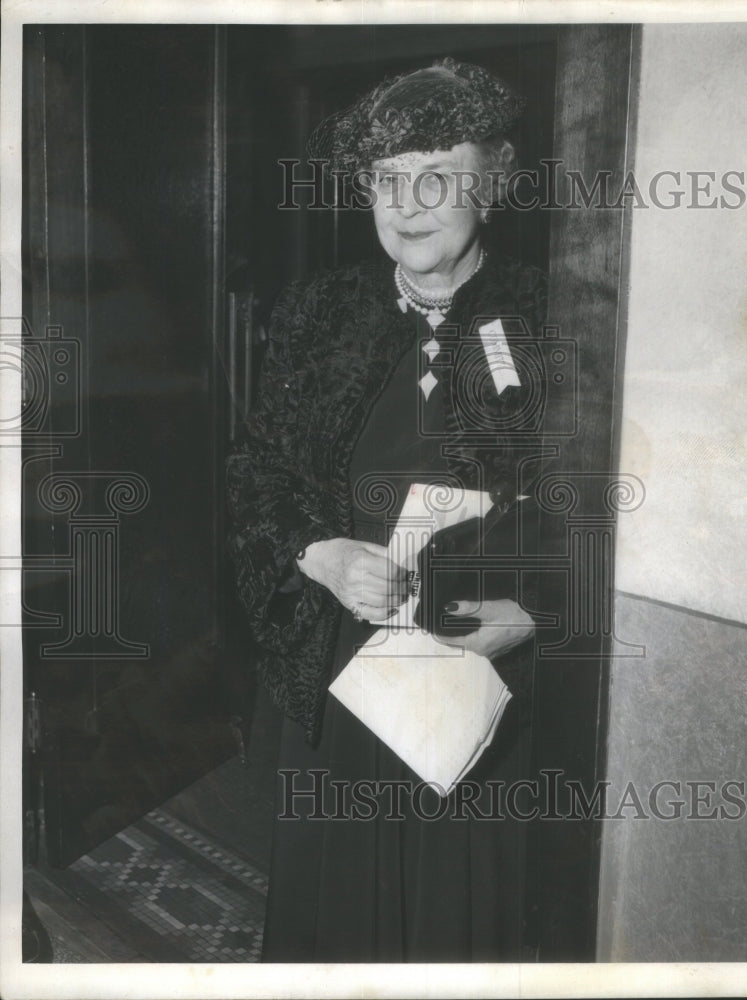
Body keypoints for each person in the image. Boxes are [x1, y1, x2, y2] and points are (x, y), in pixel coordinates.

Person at [226, 57, 549, 962]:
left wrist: (531, 614)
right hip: (341, 662)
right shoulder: (319, 312)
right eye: (386, 181)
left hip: (485, 671)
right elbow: (256, 475)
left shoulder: (559, 314)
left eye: (436, 177)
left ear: (492, 187)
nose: (407, 204)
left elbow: (602, 507)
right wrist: (318, 554)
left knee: (462, 911)